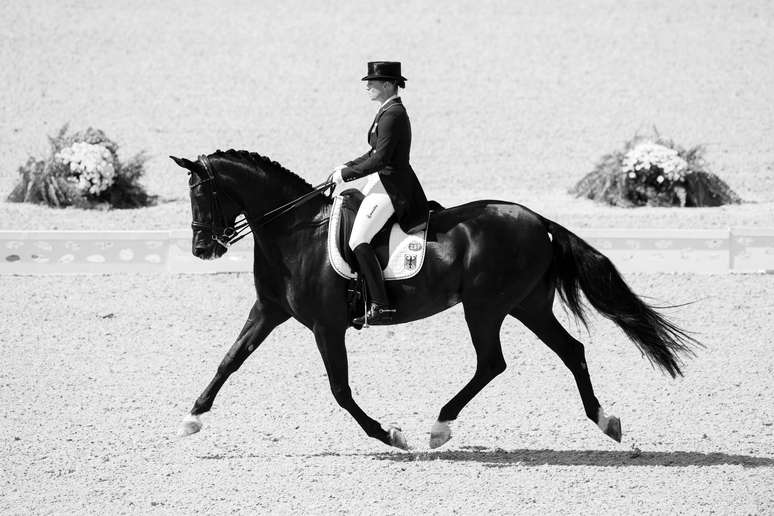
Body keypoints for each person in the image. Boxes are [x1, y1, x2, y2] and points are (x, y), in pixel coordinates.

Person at [330, 61, 429, 325]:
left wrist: (348, 175)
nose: (368, 87)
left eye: (372, 82)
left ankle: (380, 304)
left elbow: (381, 158)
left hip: (392, 187)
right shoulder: (385, 111)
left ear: (388, 84)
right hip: (381, 180)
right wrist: (347, 166)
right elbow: (373, 153)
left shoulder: (393, 114)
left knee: (357, 239)